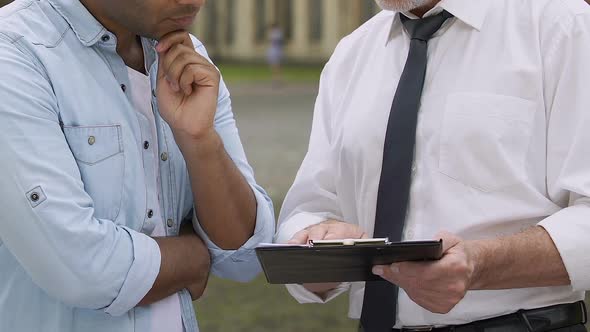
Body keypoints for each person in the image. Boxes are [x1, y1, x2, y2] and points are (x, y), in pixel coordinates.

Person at [276, 0, 590, 331]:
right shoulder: (351, 54)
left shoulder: (563, 26)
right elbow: (309, 208)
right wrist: (317, 241)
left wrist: (480, 265)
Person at [0, 0, 275, 331]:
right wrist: (195, 257)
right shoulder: (15, 52)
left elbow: (242, 257)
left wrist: (200, 142)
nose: (194, 2)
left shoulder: (189, 58)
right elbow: (79, 269)